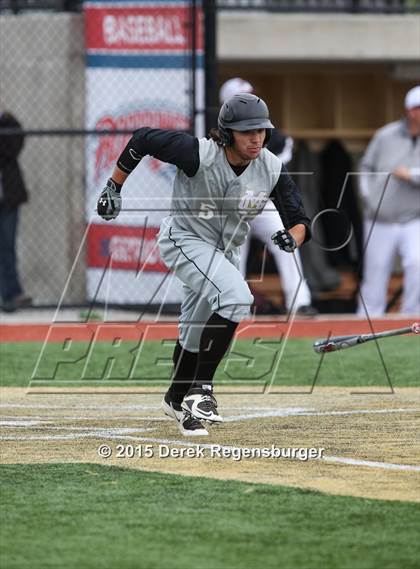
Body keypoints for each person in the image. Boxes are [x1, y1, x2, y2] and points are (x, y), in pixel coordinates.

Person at [97, 93, 311, 436]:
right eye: (247, 131)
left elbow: (300, 219)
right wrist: (113, 186)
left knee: (195, 331)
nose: (256, 138)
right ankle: (202, 390)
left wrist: (293, 238)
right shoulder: (197, 153)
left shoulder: (269, 166)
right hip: (183, 239)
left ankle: (176, 399)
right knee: (236, 297)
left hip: (225, 251)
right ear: (227, 133)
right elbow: (142, 139)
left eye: (261, 130)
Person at [220, 78, 317, 316]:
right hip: (231, 206)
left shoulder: (265, 131)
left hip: (261, 202)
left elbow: (284, 146)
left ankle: (299, 302)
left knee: (288, 241)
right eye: (241, 98)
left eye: (251, 96)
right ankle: (235, 304)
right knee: (234, 252)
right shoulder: (217, 135)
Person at [357, 85, 420, 316]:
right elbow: (365, 167)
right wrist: (368, 196)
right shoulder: (385, 135)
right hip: (379, 218)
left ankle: (413, 318)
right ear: (409, 110)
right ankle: (367, 320)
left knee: (417, 265)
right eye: (417, 108)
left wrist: (412, 175)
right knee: (375, 272)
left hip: (415, 218)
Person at [0, 108, 31, 313]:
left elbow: (15, 145)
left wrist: (4, 118)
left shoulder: (8, 123)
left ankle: (11, 294)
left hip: (8, 199)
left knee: (7, 247)